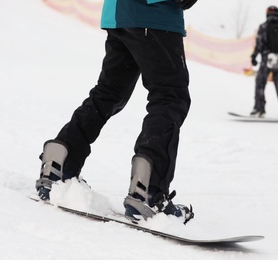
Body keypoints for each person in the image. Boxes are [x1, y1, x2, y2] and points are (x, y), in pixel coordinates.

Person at [35, 0, 197, 225]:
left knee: (108, 93)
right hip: (155, 15)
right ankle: (149, 194)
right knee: (169, 97)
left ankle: (60, 165)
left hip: (119, 15)